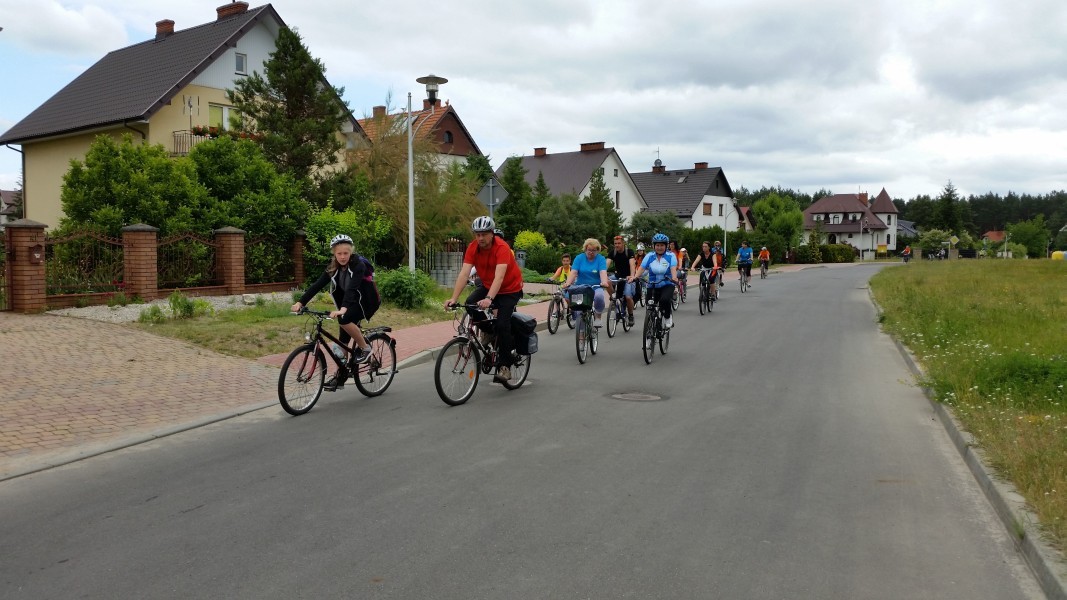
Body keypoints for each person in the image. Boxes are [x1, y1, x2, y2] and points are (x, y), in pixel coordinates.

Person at [291, 234, 379, 391]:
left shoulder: (358, 265)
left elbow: (352, 288)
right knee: (342, 341)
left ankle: (365, 348)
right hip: (348, 303)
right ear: (334, 253)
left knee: (344, 319)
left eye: (346, 253)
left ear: (351, 252)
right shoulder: (333, 267)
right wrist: (301, 302)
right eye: (339, 253)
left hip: (365, 302)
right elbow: (317, 285)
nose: (343, 257)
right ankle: (341, 377)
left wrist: (343, 309)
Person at [445, 216, 524, 383]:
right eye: (477, 234)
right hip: (488, 285)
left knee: (502, 324)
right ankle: (490, 332)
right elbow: (464, 274)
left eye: (484, 234)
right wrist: (453, 298)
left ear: (492, 233)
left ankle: (505, 366)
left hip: (510, 289)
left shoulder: (502, 247)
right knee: (470, 304)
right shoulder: (473, 247)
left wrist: (489, 298)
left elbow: (499, 277)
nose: (480, 238)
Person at [629, 232, 679, 330]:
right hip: (652, 284)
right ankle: (651, 325)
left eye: (662, 245)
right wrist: (635, 277)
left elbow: (673, 268)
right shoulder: (649, 256)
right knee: (649, 305)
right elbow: (642, 268)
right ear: (654, 246)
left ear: (666, 246)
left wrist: (674, 278)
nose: (659, 247)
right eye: (657, 245)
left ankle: (667, 317)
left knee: (664, 300)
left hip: (667, 283)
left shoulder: (671, 256)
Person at [562, 238, 611, 328]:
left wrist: (604, 282)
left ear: (597, 250)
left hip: (596, 287)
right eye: (589, 250)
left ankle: (598, 316)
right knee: (570, 299)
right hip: (581, 287)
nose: (591, 252)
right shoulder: (579, 258)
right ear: (585, 249)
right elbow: (573, 272)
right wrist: (568, 283)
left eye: (594, 250)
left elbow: (602, 272)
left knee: (599, 297)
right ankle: (580, 333)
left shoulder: (600, 259)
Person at [606, 235, 636, 327]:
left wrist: (632, 276)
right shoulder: (613, 253)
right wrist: (602, 275)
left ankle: (631, 315)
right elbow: (606, 264)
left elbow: (632, 265)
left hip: (628, 277)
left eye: (619, 243)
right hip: (617, 276)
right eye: (615, 243)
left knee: (628, 297)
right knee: (606, 282)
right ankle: (614, 298)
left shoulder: (629, 252)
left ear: (623, 243)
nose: (617, 245)